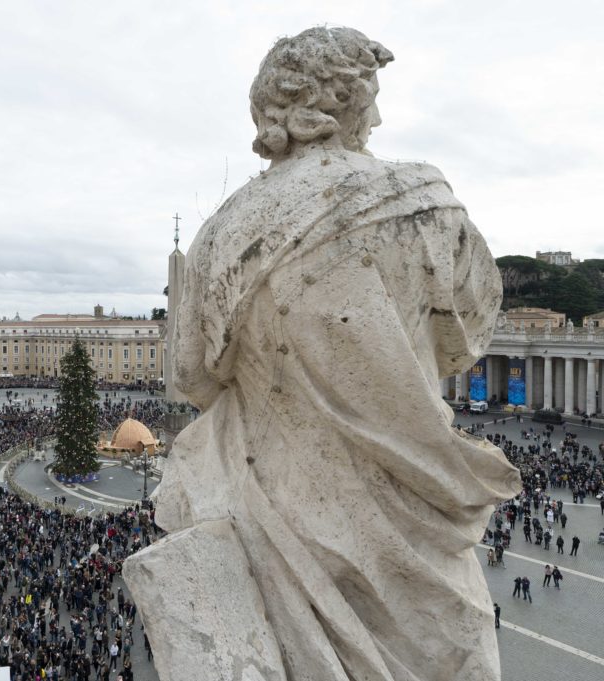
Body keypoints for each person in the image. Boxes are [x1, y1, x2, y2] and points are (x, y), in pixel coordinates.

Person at [124, 26, 520, 681]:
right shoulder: (428, 204)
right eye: (370, 94)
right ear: (338, 99)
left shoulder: (221, 234)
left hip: (275, 520)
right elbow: (467, 335)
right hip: (415, 529)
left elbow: (192, 374)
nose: (381, 113)